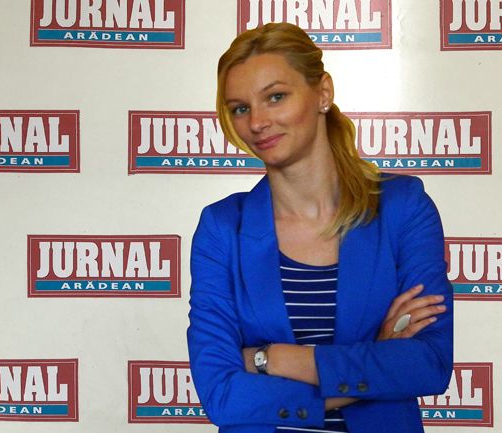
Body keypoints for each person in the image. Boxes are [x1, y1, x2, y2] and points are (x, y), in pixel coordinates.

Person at [187, 22, 453, 433]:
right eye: (240, 108)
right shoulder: (222, 227)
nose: (257, 122)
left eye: (275, 97)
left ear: (323, 93)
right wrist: (376, 359)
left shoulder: (403, 208)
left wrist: (269, 359)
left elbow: (428, 364)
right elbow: (222, 396)